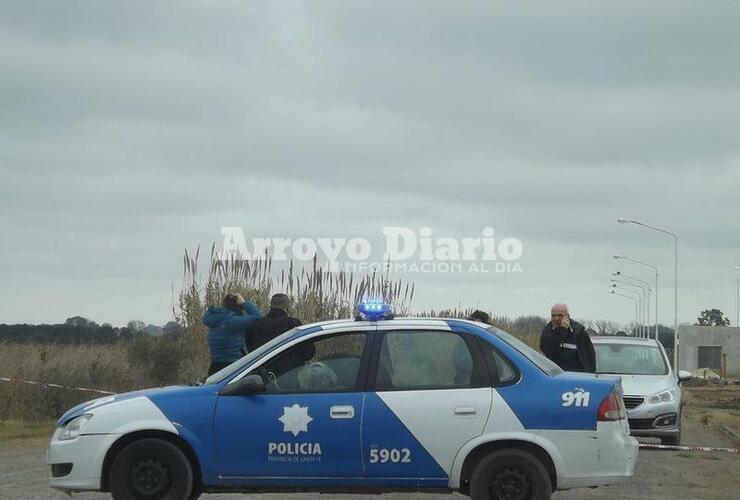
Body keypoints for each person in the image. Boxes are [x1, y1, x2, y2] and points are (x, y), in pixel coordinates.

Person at [203, 293, 262, 376]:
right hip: (233, 366)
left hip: (215, 366)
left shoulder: (214, 320)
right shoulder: (232, 321)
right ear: (238, 306)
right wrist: (244, 303)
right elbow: (257, 316)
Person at [540, 303, 596, 373]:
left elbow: (590, 357)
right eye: (553, 315)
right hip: (555, 377)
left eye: (560, 315)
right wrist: (561, 331)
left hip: (577, 378)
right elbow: (549, 352)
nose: (556, 318)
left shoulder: (579, 333)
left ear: (567, 317)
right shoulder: (547, 333)